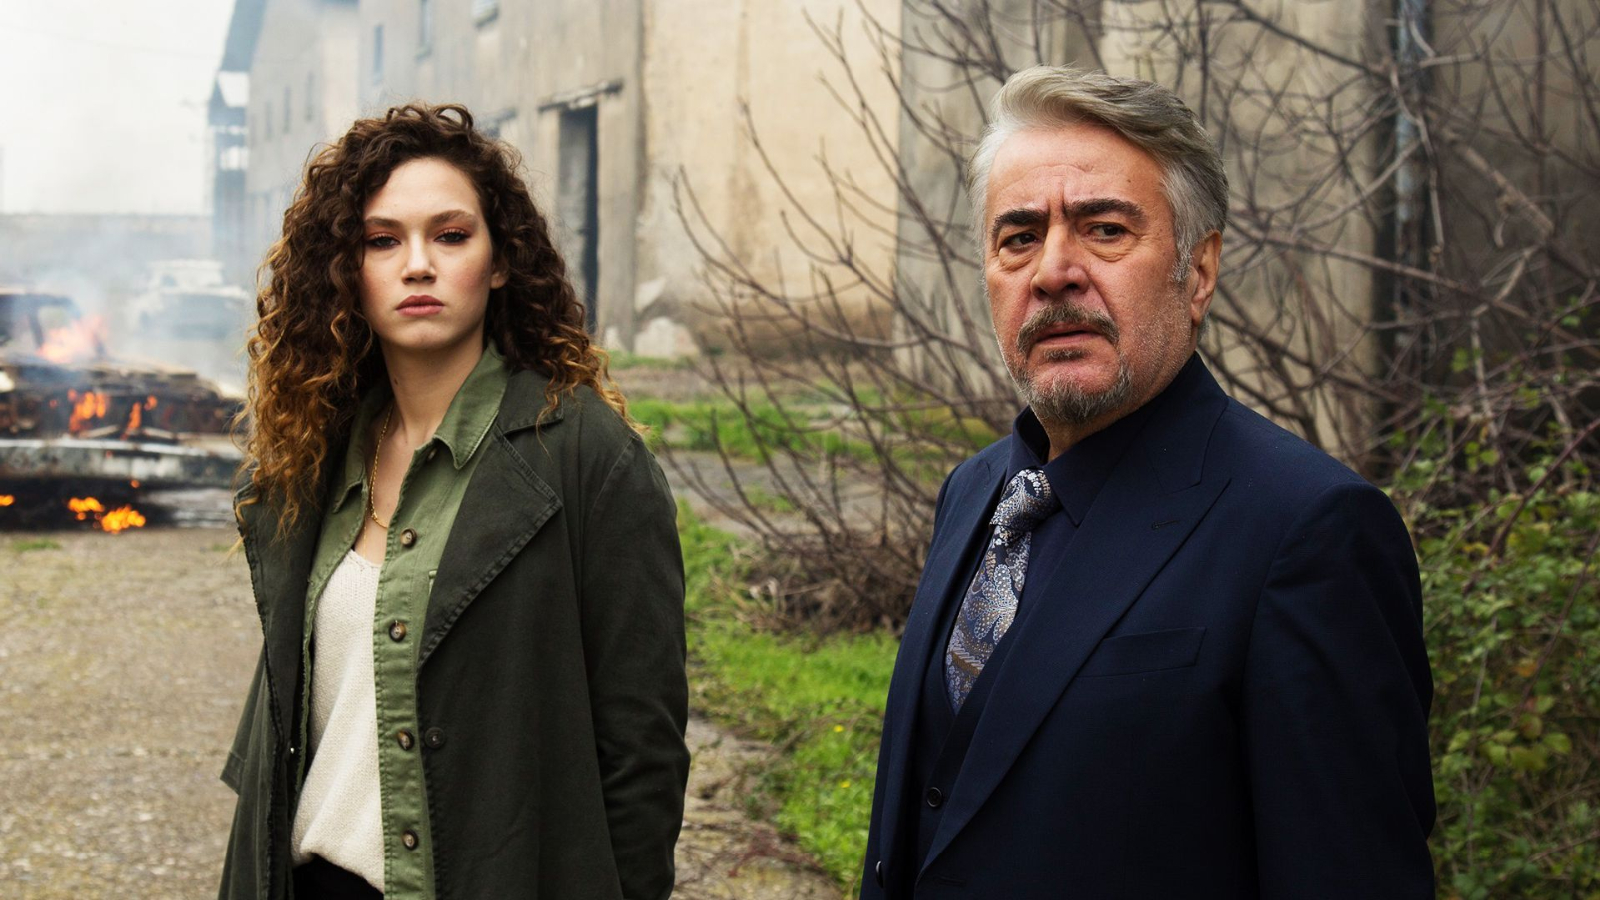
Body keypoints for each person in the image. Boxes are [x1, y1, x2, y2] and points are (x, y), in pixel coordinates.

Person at [860, 67, 1435, 898]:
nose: (1053, 271)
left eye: (1104, 230)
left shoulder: (1308, 531)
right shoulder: (977, 492)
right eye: (1019, 237)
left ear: (1197, 272)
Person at [219, 104, 688, 900]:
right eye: (382, 240)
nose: (417, 266)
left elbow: (643, 755)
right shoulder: (316, 453)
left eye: (450, 235)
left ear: (499, 261)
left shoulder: (587, 458)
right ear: (347, 270)